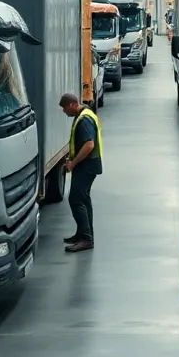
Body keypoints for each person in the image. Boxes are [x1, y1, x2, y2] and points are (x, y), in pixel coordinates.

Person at [59, 92, 103, 253]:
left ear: (71, 105)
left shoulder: (84, 120)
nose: (64, 112)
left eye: (64, 109)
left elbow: (89, 145)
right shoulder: (85, 113)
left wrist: (73, 163)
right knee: (83, 199)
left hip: (86, 166)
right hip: (89, 165)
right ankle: (84, 233)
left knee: (76, 199)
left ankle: (86, 239)